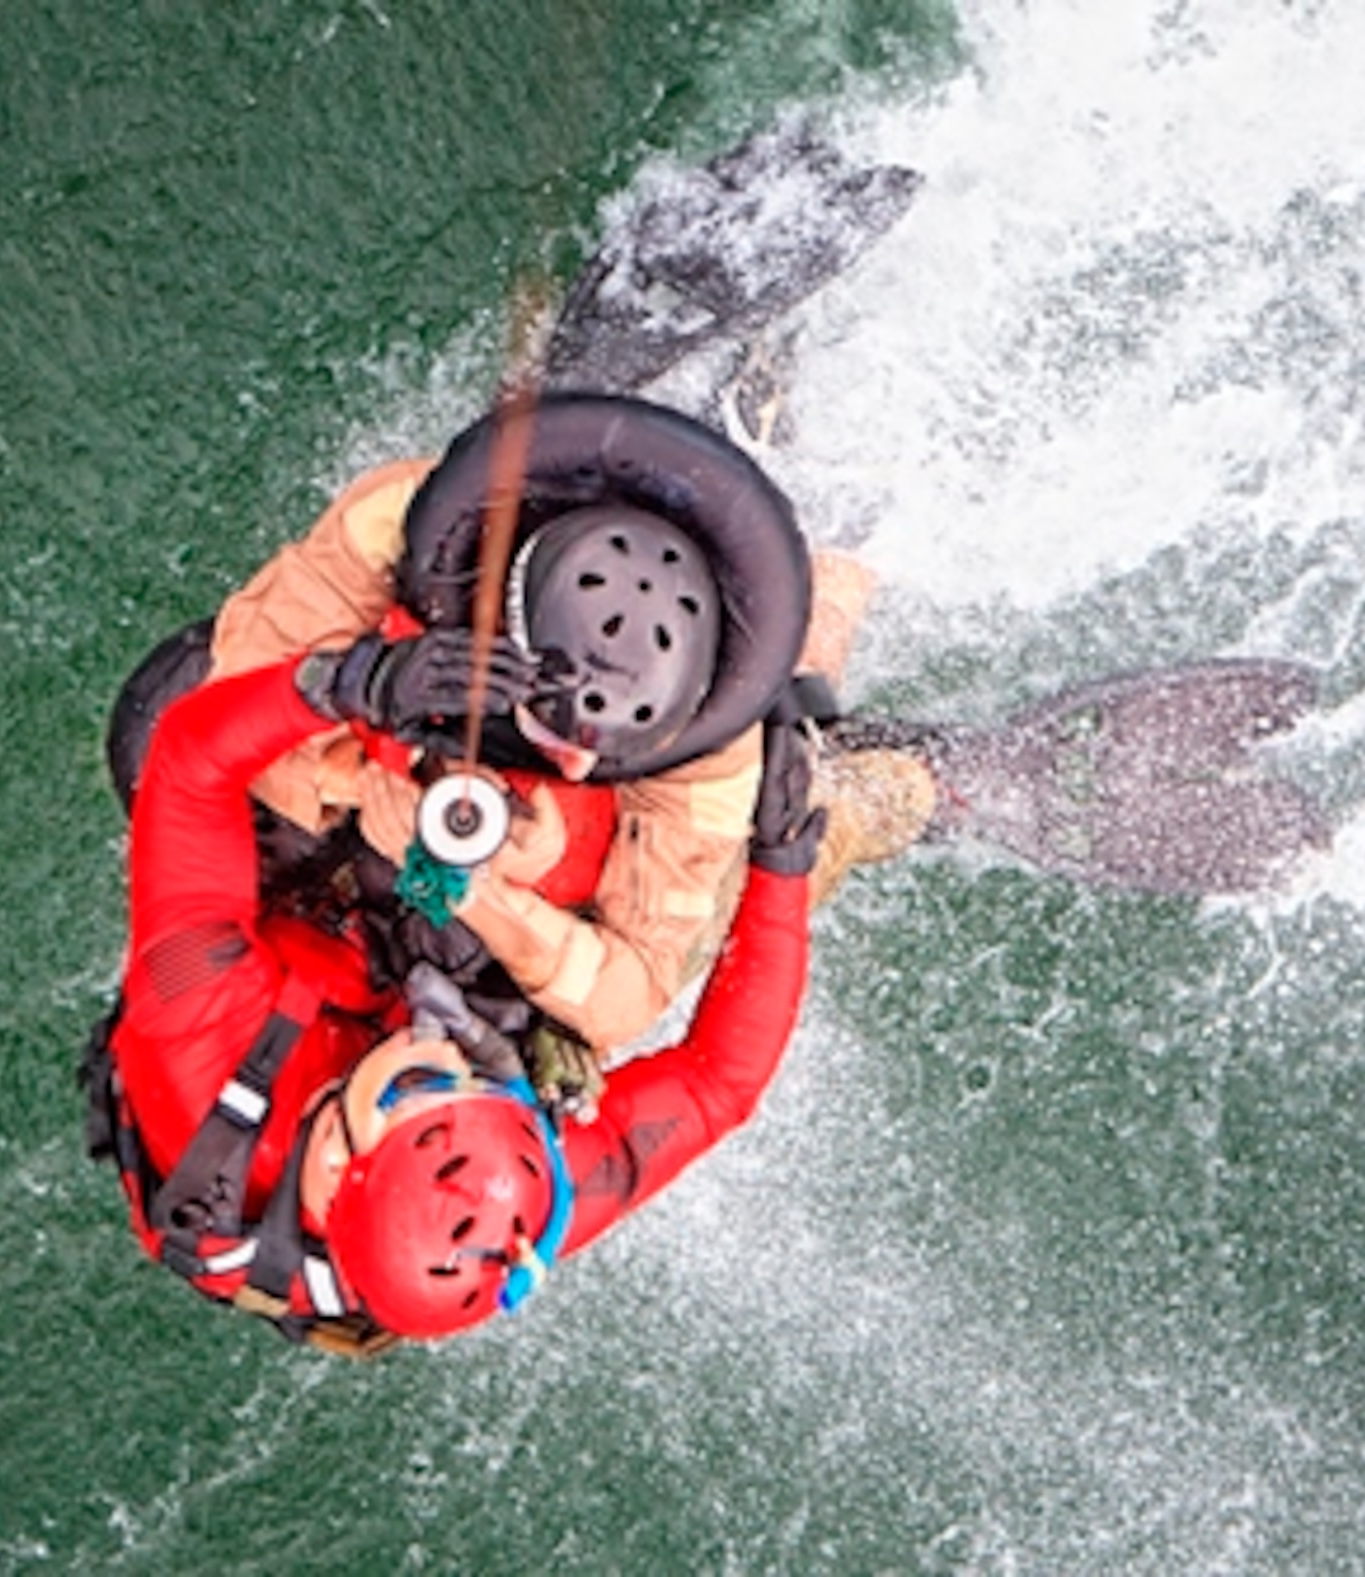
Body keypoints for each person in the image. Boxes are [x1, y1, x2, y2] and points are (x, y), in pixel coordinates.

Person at [84, 646, 824, 1353]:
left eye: (425, 1080)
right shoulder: (507, 1195)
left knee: (156, 721)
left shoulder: (194, 1027)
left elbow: (188, 761)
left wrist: (357, 680)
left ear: (339, 1158)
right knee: (608, 919)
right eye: (479, 1079)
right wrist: (782, 866)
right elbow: (719, 1082)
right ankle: (873, 781)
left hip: (293, 938)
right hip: (372, 994)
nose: (445, 1048)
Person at [199, 394, 937, 1075]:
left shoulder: (708, 742)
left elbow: (635, 988)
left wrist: (486, 893)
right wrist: (375, 722)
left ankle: (907, 754)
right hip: (421, 695)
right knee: (171, 740)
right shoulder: (403, 521)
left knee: (795, 785)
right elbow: (225, 697)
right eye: (560, 732)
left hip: (615, 829)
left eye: (601, 747)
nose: (580, 764)